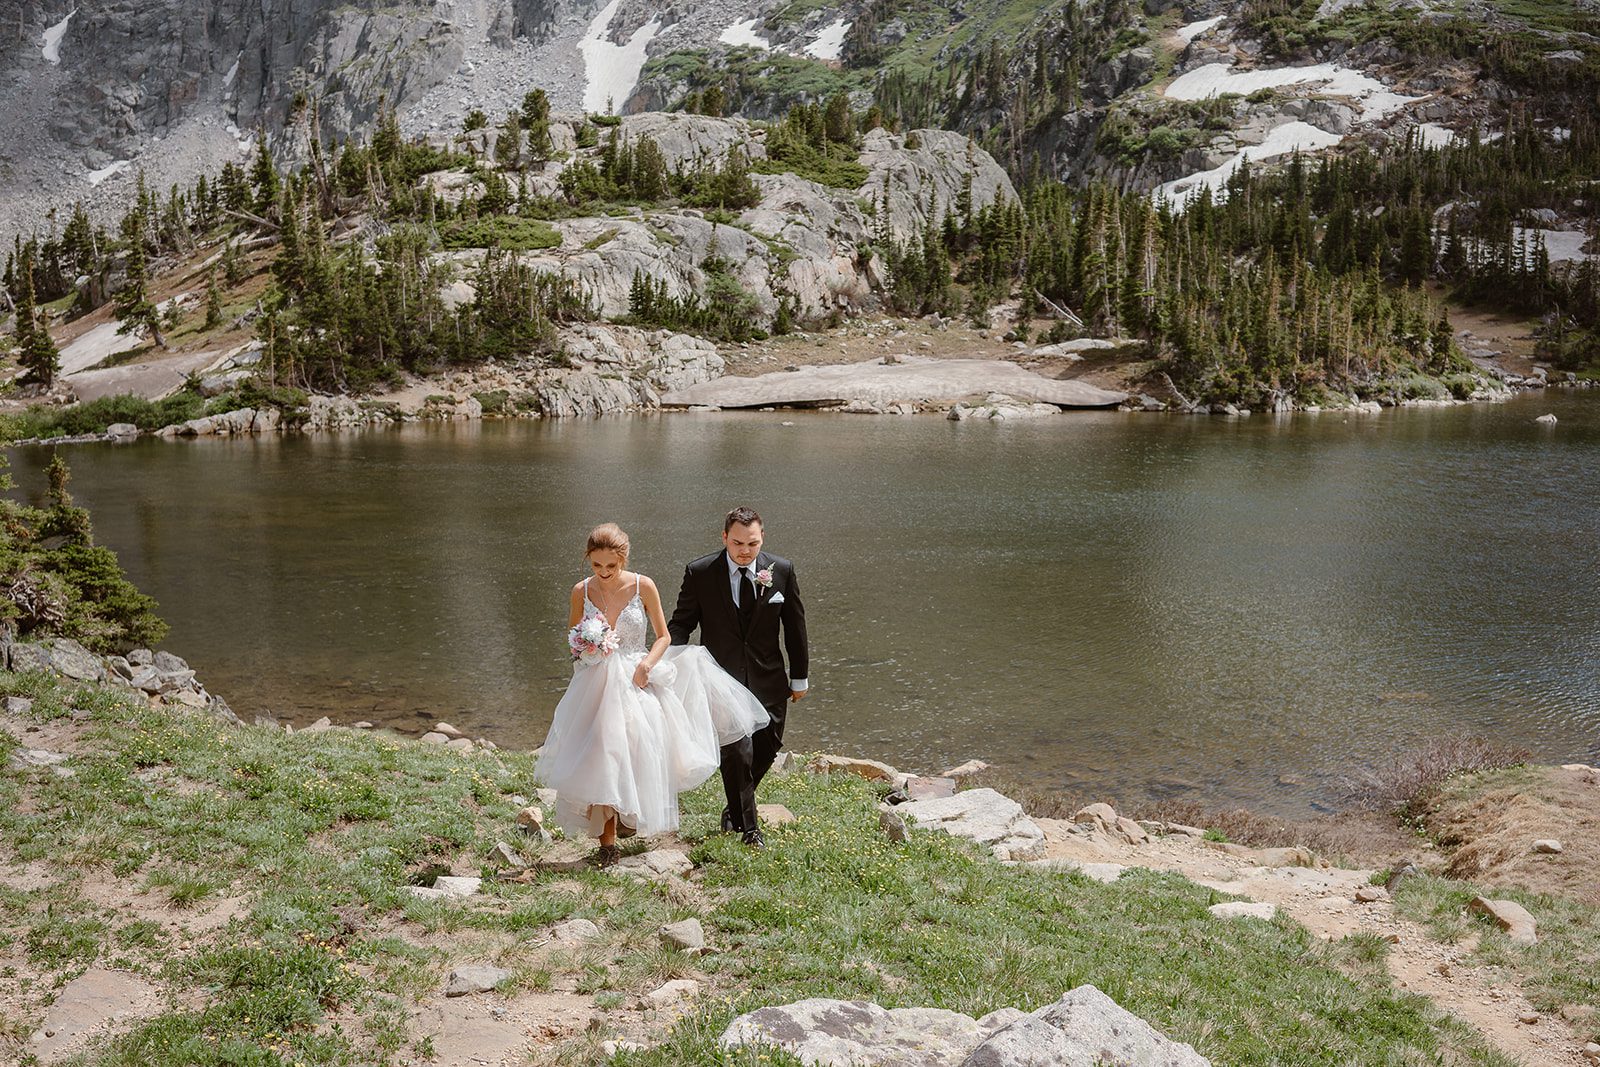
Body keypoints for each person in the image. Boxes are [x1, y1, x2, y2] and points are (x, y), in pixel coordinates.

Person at [535, 523, 770, 866]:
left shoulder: (643, 586)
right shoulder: (580, 591)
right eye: (596, 566)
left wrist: (646, 664)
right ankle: (607, 842)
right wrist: (587, 648)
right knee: (601, 751)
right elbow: (573, 639)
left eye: (611, 566)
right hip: (595, 683)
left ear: (623, 559)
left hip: (635, 677)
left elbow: (663, 636)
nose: (603, 573)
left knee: (635, 750)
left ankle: (627, 817)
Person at [669, 506, 809, 848]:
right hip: (722, 680)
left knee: (768, 745)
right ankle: (749, 829)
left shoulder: (782, 570)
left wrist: (799, 677)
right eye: (737, 543)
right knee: (738, 752)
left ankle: (734, 809)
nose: (745, 551)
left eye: (752, 543)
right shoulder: (700, 572)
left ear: (762, 538)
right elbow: (681, 624)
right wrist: (668, 662)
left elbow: (795, 627)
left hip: (769, 678)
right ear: (724, 538)